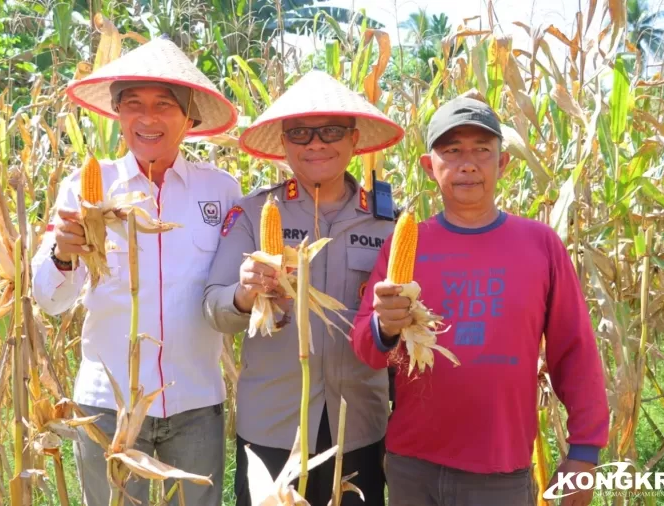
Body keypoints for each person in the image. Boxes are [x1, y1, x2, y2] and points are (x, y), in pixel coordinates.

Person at [349, 97, 610, 506]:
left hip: (499, 469)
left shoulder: (540, 245)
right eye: (451, 151)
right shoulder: (407, 242)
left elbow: (574, 350)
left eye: (482, 151)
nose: (467, 164)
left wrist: (584, 452)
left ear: (503, 164)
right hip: (412, 466)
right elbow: (367, 347)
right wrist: (384, 327)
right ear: (427, 166)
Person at [31, 36, 241, 506]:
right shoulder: (86, 187)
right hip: (108, 405)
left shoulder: (222, 191)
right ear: (118, 115)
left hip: (195, 403)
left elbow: (232, 292)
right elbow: (50, 299)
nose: (147, 119)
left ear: (190, 118)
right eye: (133, 105)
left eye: (164, 105)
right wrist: (65, 255)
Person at [202, 70, 405, 506]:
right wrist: (243, 294)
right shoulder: (253, 213)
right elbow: (214, 307)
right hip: (274, 425)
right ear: (285, 143)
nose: (315, 144)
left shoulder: (388, 223)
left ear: (353, 139)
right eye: (300, 134)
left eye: (331, 131)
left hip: (359, 425)